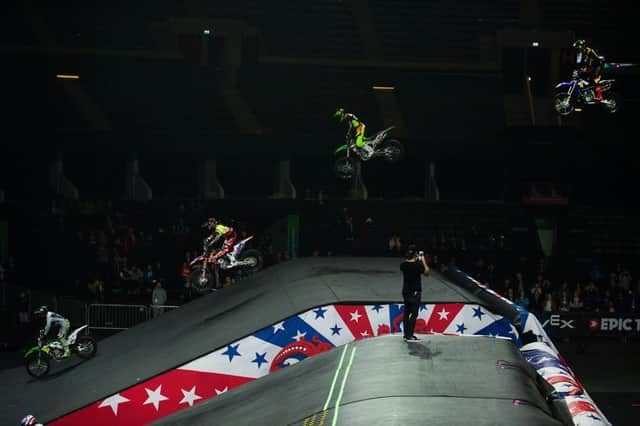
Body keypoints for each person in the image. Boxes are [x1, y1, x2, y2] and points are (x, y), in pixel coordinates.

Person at [400, 245, 430, 341]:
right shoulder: (418, 265)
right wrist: (423, 261)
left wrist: (416, 259)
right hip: (415, 293)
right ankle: (410, 335)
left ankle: (406, 334)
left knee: (406, 313)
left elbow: (408, 262)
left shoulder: (403, 265)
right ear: (415, 254)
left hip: (406, 292)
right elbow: (427, 273)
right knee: (414, 314)